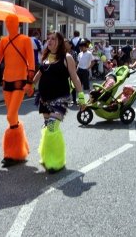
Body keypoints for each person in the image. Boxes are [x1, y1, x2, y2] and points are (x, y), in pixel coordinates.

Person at [33, 31, 85, 173]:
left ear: (60, 42)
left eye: (53, 39)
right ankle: (47, 157)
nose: (49, 41)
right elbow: (39, 74)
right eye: (48, 38)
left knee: (51, 127)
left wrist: (81, 97)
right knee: (47, 128)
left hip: (60, 99)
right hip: (44, 99)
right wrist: (29, 86)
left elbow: (75, 78)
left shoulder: (67, 57)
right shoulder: (45, 57)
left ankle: (56, 161)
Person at [0, 14, 35, 168]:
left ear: (17, 24)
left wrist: (30, 83)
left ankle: (13, 153)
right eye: (7, 22)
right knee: (13, 117)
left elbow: (31, 63)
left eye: (11, 22)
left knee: (10, 115)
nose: (9, 24)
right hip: (6, 82)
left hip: (20, 81)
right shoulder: (3, 41)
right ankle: (19, 149)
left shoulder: (25, 40)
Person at [65, 39, 78, 105]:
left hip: (72, 71)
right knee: (65, 86)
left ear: (70, 45)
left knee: (72, 86)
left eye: (66, 44)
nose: (65, 45)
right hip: (64, 72)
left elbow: (75, 63)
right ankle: (66, 100)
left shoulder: (74, 53)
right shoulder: (62, 53)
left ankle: (74, 99)